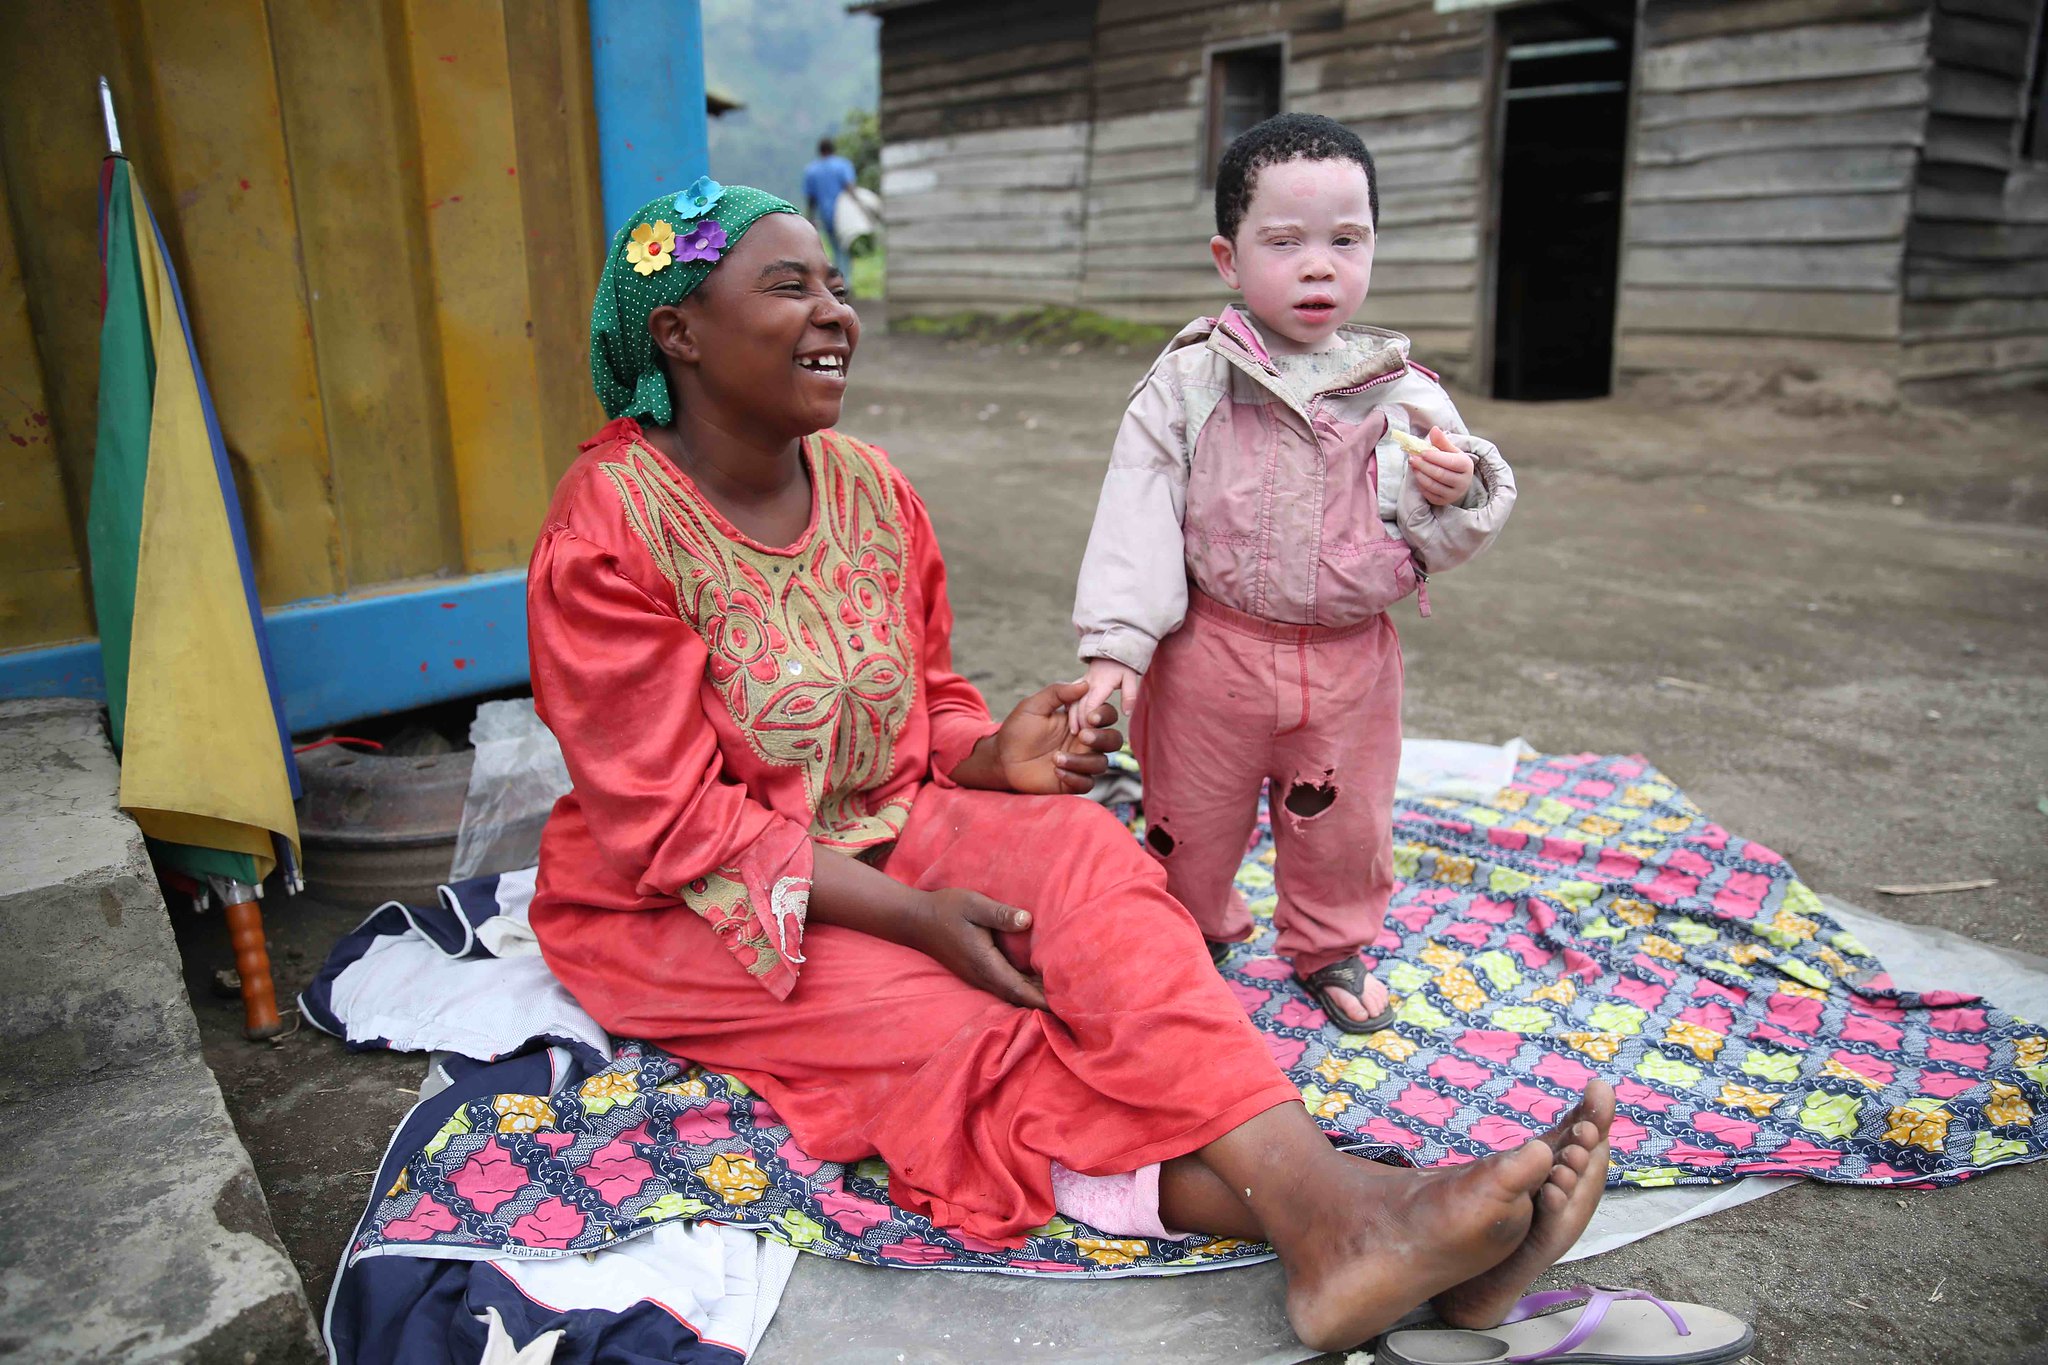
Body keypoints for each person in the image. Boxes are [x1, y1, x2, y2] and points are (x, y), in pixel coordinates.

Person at [527, 176, 1606, 1353]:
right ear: (676, 331)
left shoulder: (869, 488)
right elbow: (669, 823)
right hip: (687, 905)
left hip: (890, 824)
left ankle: (1350, 1222)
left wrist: (1000, 757)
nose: (835, 312)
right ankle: (1350, 1220)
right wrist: (909, 916)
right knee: (955, 1021)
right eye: (788, 286)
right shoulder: (611, 527)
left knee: (1093, 866)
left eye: (837, 285)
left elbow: (925, 711)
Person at [1071, 114, 1517, 1034]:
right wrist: (1117, 649)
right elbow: (1137, 508)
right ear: (1228, 259)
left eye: (1344, 241)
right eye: (1285, 242)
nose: (1319, 265)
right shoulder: (1190, 382)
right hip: (1212, 654)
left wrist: (1459, 485)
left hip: (1349, 666)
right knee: (1187, 817)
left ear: (1372, 250)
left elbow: (1441, 535)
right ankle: (1192, 935)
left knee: (1345, 829)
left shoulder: (1404, 391)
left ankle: (1331, 945)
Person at [803, 136, 858, 275]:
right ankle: (846, 284)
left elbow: (811, 199)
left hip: (825, 216)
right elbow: (850, 187)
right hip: (844, 215)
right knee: (845, 247)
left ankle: (839, 283)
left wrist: (809, 219)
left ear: (820, 151)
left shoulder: (811, 170)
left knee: (834, 249)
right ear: (833, 149)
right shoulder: (843, 165)